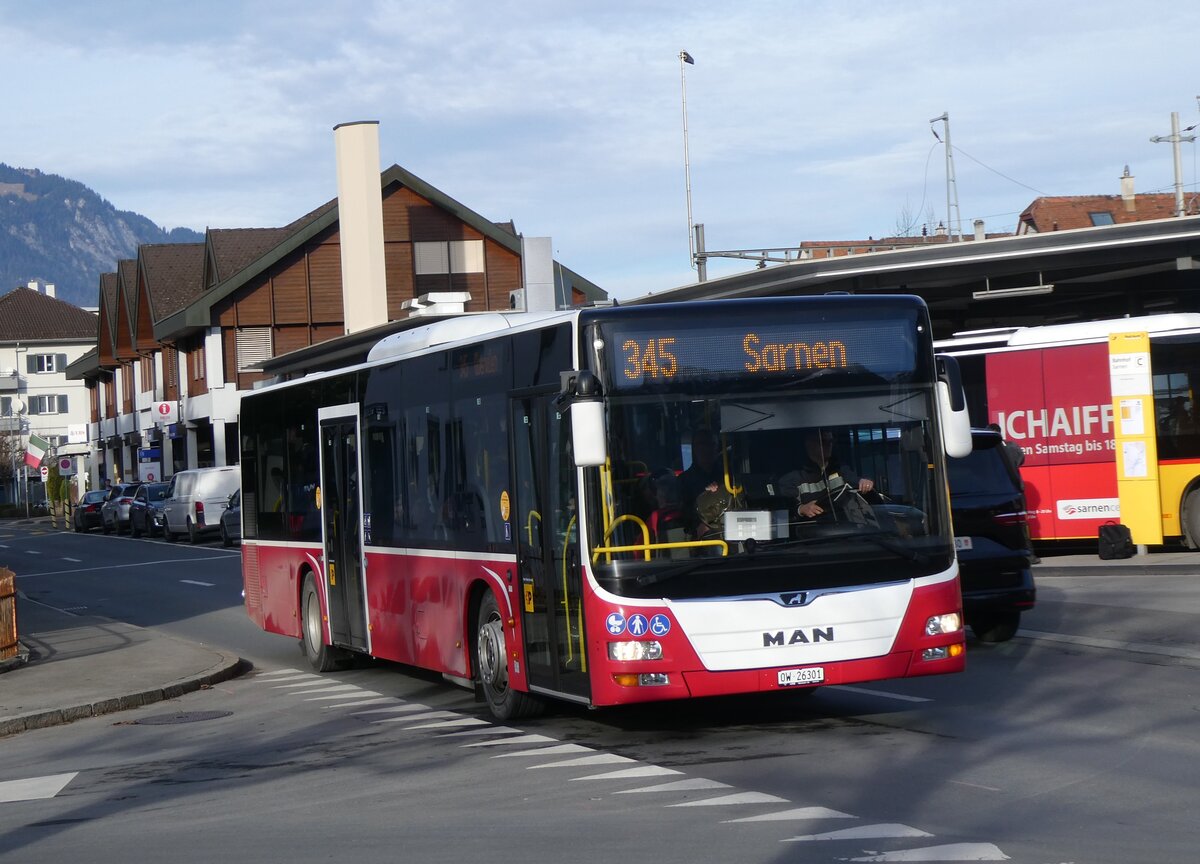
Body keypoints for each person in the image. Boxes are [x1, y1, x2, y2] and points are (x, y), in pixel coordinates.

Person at [779, 428, 877, 523]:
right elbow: (783, 511)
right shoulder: (792, 477)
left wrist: (865, 481)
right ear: (809, 444)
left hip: (845, 528)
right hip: (812, 531)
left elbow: (856, 481)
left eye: (831, 441)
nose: (829, 445)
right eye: (823, 442)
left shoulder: (840, 468)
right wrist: (801, 509)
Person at [679, 428, 727, 537]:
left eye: (711, 444)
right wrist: (698, 524)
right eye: (701, 444)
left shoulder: (728, 476)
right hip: (699, 535)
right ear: (694, 448)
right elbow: (683, 511)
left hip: (729, 528)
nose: (706, 449)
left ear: (717, 447)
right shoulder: (684, 480)